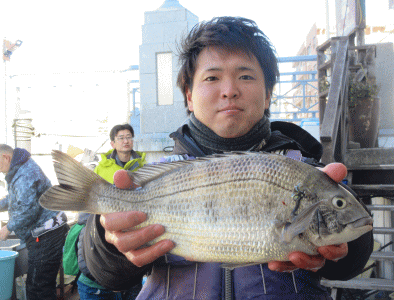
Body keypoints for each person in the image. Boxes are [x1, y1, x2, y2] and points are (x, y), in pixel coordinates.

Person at [81, 17, 373, 299]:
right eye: (212, 77)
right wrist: (109, 238)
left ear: (268, 93)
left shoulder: (306, 170)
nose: (230, 91)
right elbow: (103, 274)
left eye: (245, 76)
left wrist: (348, 247)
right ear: (189, 96)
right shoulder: (155, 175)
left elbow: (352, 260)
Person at [73, 123, 146, 300]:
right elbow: (88, 207)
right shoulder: (101, 168)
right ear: (112, 143)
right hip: (103, 234)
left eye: (129, 137)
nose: (125, 141)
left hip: (134, 233)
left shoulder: (144, 167)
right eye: (120, 138)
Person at [0, 144, 69, 300]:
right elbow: (15, 199)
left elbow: (28, 210)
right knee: (39, 284)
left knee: (38, 287)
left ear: (6, 157)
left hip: (47, 234)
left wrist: (7, 228)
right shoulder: (18, 169)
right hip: (43, 233)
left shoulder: (25, 174)